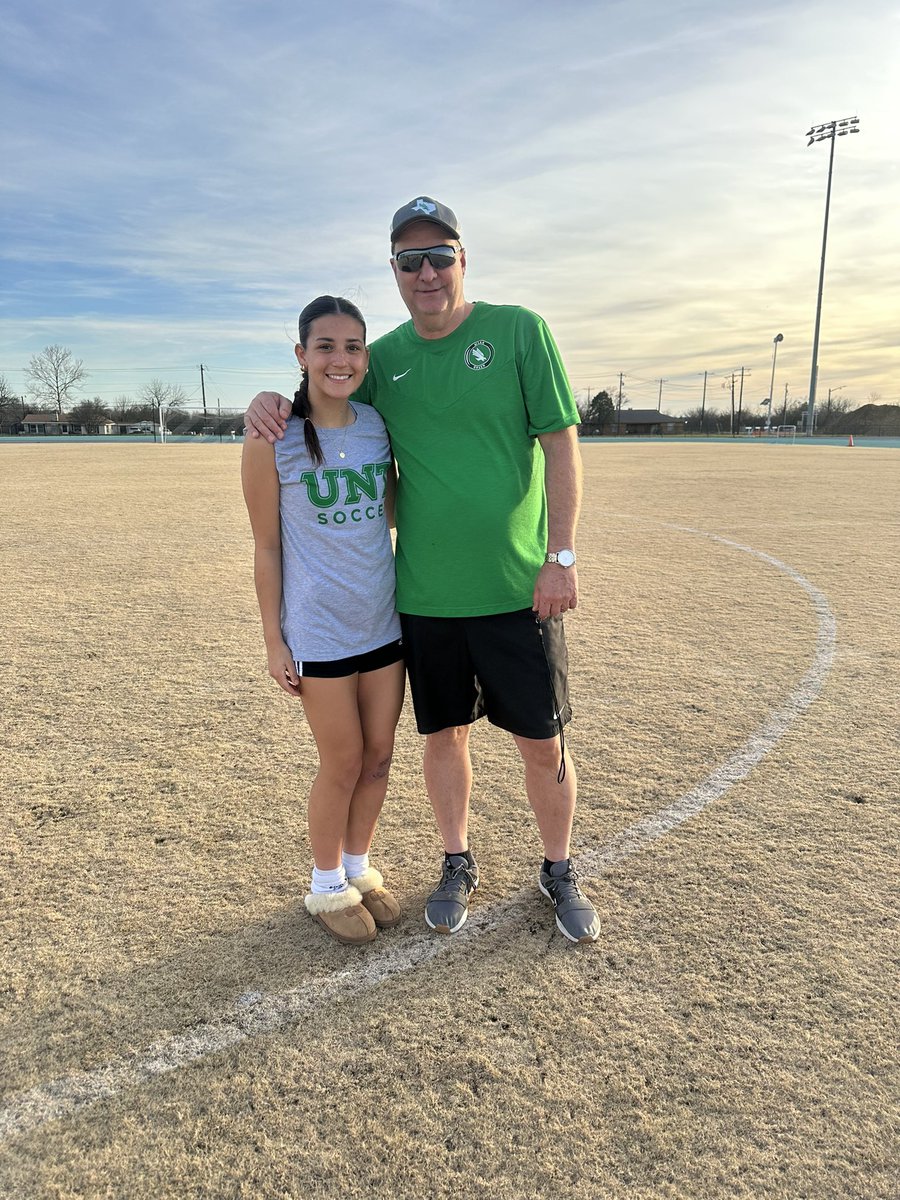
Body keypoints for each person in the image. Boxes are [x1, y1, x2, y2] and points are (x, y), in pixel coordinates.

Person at [245, 199, 600, 944]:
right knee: (445, 739)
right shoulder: (387, 363)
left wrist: (559, 554)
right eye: (410, 260)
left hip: (517, 588)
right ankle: (454, 860)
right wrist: (268, 400)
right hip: (424, 600)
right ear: (396, 272)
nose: (427, 271)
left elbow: (562, 443)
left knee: (542, 743)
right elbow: (325, 400)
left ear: (463, 258)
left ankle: (559, 868)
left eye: (439, 254)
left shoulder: (519, 330)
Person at [241, 295, 406, 946]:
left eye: (353, 347)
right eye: (326, 346)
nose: (341, 359)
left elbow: (391, 509)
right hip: (320, 630)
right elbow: (266, 546)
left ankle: (360, 869)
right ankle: (324, 883)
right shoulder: (271, 437)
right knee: (340, 761)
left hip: (384, 625)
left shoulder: (375, 425)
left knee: (380, 757)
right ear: (302, 355)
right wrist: (273, 638)